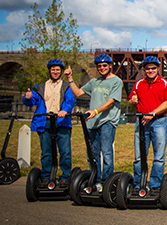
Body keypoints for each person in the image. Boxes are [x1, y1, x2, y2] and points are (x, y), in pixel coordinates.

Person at [64, 54, 123, 192]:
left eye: (104, 65)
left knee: (106, 152)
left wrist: (95, 111)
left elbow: (111, 102)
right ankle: (96, 180)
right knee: (92, 153)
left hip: (107, 121)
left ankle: (107, 182)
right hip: (92, 122)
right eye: (99, 66)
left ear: (110, 66)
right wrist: (70, 79)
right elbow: (78, 93)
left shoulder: (116, 81)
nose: (102, 68)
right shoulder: (94, 81)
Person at [23, 59, 75, 188]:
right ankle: (46, 176)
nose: (55, 72)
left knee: (65, 151)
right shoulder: (40, 86)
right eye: (53, 70)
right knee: (46, 151)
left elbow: (70, 101)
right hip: (44, 121)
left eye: (57, 70)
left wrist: (65, 110)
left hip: (61, 121)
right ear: (49, 71)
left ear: (61, 71)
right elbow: (32, 100)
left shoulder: (65, 86)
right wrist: (27, 97)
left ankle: (64, 177)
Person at [127, 56, 167, 196]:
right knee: (139, 156)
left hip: (158, 121)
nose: (150, 70)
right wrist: (133, 101)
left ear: (157, 69)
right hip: (141, 122)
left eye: (153, 68)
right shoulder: (138, 84)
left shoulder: (165, 83)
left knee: (158, 157)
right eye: (147, 68)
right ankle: (138, 184)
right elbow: (130, 101)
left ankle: (155, 186)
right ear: (144, 70)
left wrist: (152, 113)